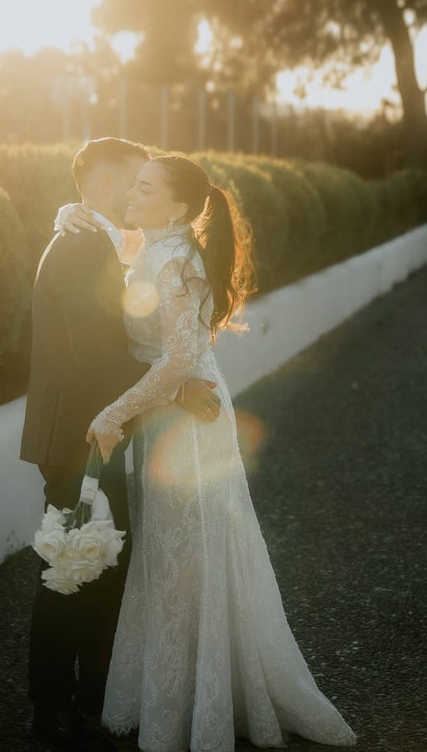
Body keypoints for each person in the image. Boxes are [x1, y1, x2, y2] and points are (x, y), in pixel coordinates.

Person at [76, 154, 357, 751]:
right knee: (176, 558)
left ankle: (196, 710)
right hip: (173, 415)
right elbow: (124, 243)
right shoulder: (155, 245)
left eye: (145, 187)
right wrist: (71, 212)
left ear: (177, 208)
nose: (132, 192)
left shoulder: (175, 260)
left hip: (191, 425)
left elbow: (177, 358)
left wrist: (110, 414)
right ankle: (189, 698)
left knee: (186, 562)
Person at [20, 138, 221, 749]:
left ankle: (88, 695)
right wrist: (172, 386)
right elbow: (96, 353)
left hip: (98, 429)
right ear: (105, 183)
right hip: (81, 434)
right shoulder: (80, 247)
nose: (138, 192)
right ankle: (53, 708)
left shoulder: (96, 238)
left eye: (148, 186)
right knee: (74, 568)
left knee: (101, 564)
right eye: (133, 181)